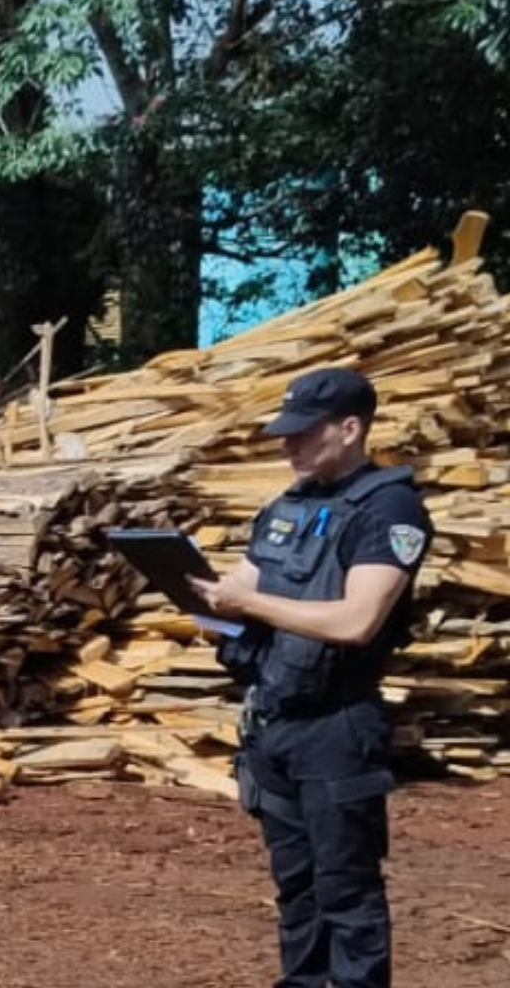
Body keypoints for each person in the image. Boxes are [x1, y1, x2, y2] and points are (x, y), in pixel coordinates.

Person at [190, 367, 432, 988]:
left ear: (350, 429)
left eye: (303, 433)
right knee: (296, 890)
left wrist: (247, 606)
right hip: (274, 721)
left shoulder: (389, 508)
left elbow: (357, 620)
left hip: (337, 727)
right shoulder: (286, 506)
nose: (288, 446)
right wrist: (200, 591)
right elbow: (242, 584)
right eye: (284, 434)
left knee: (345, 892)